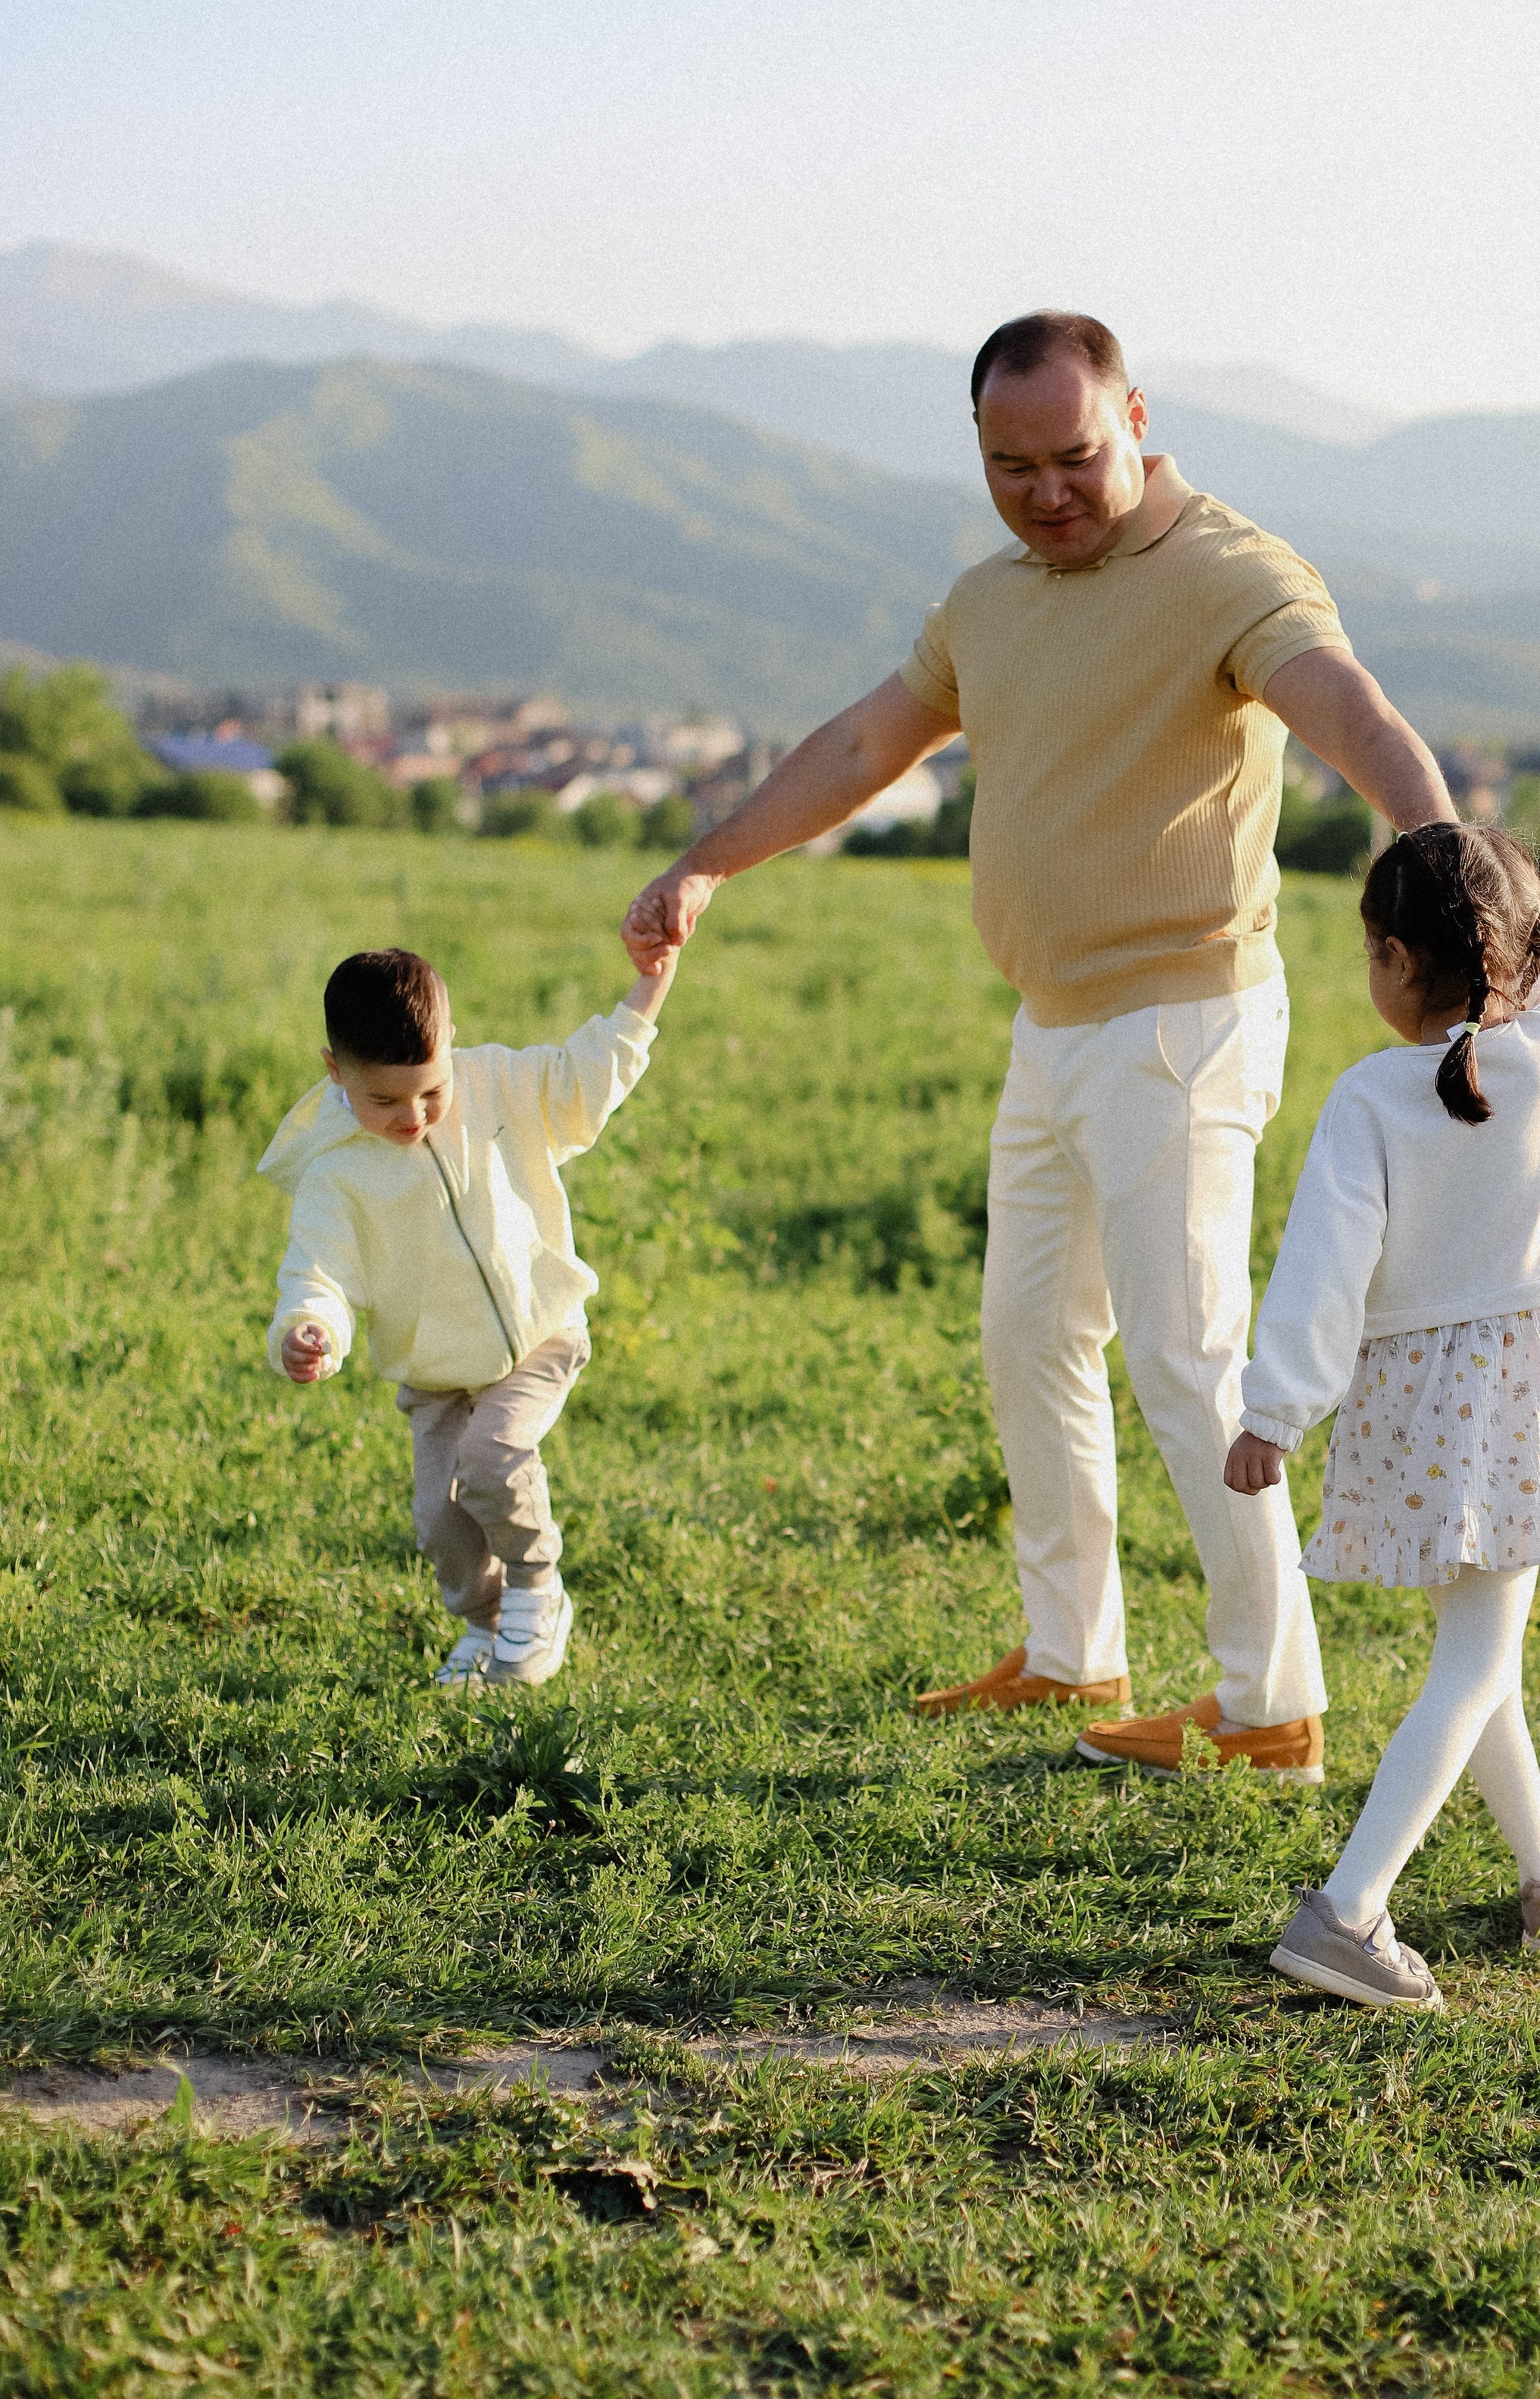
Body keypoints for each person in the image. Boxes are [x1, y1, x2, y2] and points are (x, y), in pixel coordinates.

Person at [624, 309, 1455, 1775]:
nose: (1048, 492)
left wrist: (1442, 858)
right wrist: (711, 861)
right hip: (1053, 1026)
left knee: (1191, 1364)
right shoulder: (990, 600)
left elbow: (1348, 710)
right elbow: (861, 747)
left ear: (1137, 413)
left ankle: (1271, 1707)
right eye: (1013, 467)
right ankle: (1074, 1652)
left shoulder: (1233, 573)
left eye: (1075, 456)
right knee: (1030, 1343)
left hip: (1183, 1026)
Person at [1228, 824, 1540, 2005]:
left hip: (1422, 1417)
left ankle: (1491, 1886)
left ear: (1395, 956)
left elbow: (1319, 1272)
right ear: (1518, 951)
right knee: (1481, 1654)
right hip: (1523, 1409)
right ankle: (1380, 1906)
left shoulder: (1370, 1099)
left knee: (1476, 1653)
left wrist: (1274, 1413)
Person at [259, 943, 679, 1688]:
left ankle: (538, 1593)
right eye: (383, 1100)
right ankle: (487, 1624)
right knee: (439, 1519)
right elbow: (318, 1268)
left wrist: (646, 993)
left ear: (449, 1049)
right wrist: (306, 1327)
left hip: (536, 1332)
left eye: (430, 1091)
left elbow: (582, 1078)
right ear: (335, 1070)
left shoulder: (499, 1084)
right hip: (438, 1371)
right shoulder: (335, 1169)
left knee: (492, 1459)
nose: (412, 1116)